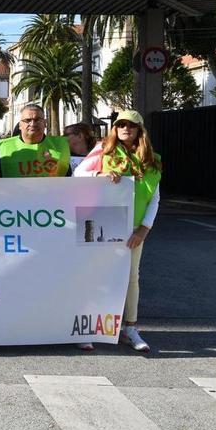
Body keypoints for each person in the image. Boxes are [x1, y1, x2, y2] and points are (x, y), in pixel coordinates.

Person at [78, 110, 162, 352]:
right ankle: (87, 327)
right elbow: (79, 173)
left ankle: (130, 328)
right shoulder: (103, 150)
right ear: (115, 128)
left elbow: (154, 197)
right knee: (94, 274)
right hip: (102, 222)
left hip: (134, 227)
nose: (126, 128)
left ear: (140, 130)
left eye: (131, 125)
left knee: (131, 278)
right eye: (121, 124)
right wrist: (100, 174)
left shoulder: (152, 159)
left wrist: (144, 229)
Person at [0, 104, 70, 178]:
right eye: (27, 120)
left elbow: (72, 176)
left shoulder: (62, 145)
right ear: (20, 125)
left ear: (45, 123)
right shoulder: (3, 148)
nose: (32, 124)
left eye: (37, 119)